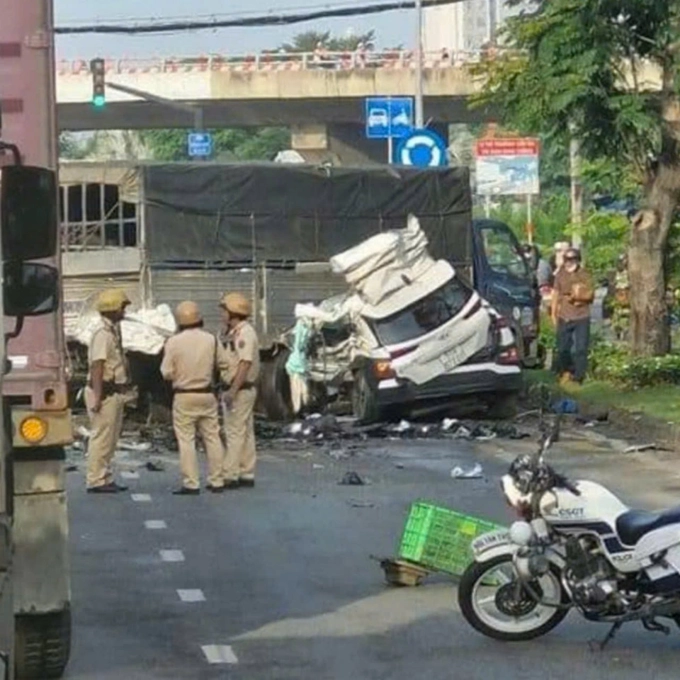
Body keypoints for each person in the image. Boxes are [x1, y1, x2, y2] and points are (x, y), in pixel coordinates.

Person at [161, 301, 230, 495]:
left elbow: (166, 372)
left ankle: (191, 483)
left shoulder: (173, 342)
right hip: (207, 394)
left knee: (186, 440)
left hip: (184, 396)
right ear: (200, 319)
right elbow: (224, 364)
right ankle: (217, 480)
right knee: (213, 437)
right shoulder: (211, 340)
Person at [85, 288, 132, 493]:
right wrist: (97, 396)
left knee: (110, 439)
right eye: (122, 307)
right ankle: (96, 479)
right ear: (113, 308)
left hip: (112, 392)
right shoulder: (102, 334)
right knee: (102, 437)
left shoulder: (112, 331)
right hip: (104, 392)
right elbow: (98, 365)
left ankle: (104, 476)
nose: (124, 311)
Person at [220, 292, 260, 488]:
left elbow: (244, 363)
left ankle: (230, 473)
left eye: (225, 311)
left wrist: (232, 391)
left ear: (233, 312)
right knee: (245, 432)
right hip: (244, 389)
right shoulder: (237, 332)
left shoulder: (244, 334)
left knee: (234, 431)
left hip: (240, 389)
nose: (222, 315)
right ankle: (246, 472)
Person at [552, 248, 594, 384]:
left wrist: (579, 295)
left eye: (573, 259)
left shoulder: (584, 274)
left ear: (578, 260)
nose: (569, 262)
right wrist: (553, 313)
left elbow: (590, 293)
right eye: (567, 260)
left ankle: (579, 377)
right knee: (563, 348)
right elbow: (555, 295)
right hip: (564, 314)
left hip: (582, 314)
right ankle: (567, 370)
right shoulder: (560, 275)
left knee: (581, 348)